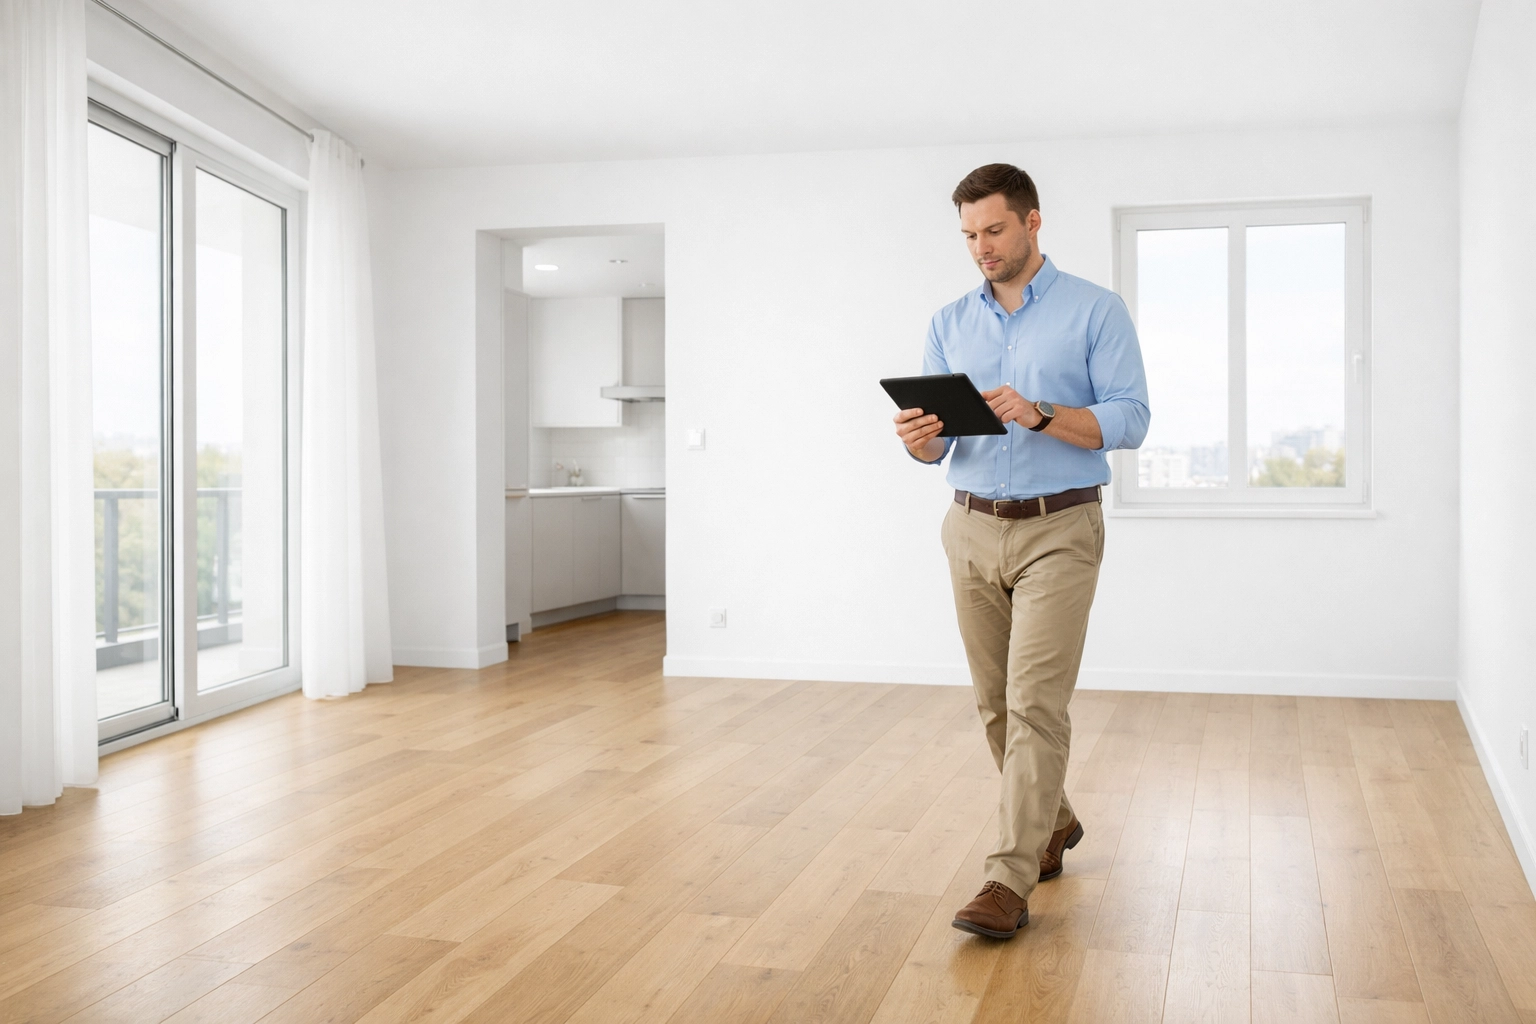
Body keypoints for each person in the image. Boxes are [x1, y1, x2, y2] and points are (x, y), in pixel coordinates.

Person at [894, 163, 1149, 939]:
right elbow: (937, 449)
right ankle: (1056, 821)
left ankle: (1008, 878)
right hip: (969, 526)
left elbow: (1130, 420)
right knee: (996, 706)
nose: (981, 247)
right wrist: (917, 441)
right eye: (969, 235)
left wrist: (1041, 415)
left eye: (994, 230)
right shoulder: (949, 321)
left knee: (1036, 704)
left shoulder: (1094, 311)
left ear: (1033, 223)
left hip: (1059, 529)